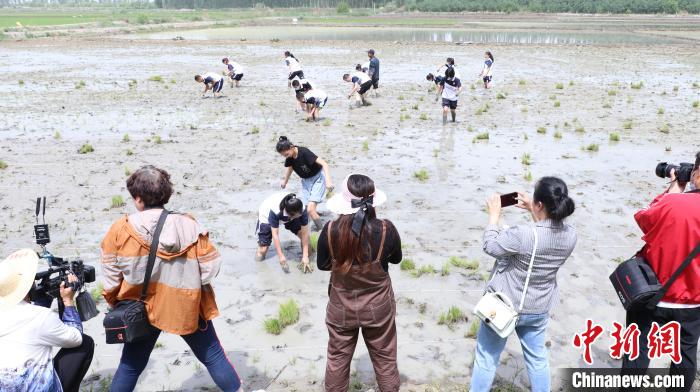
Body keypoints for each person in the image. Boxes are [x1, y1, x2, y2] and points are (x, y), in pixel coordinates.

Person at [100, 165, 242, 392]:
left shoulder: (119, 229)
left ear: (138, 199)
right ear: (165, 194)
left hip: (139, 310)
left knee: (130, 367)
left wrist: (115, 302)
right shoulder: (189, 224)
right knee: (214, 356)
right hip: (186, 305)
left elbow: (110, 280)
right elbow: (210, 269)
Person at [469, 177, 577, 392]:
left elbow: (491, 246)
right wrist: (533, 211)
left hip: (504, 307)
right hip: (538, 308)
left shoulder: (522, 234)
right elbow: (546, 234)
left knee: (486, 359)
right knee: (537, 360)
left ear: (540, 204)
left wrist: (493, 217)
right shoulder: (571, 235)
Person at [620, 153, 700, 392]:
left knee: (638, 350)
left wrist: (674, 188)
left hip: (653, 293)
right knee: (685, 355)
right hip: (693, 301)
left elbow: (643, 218)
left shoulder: (674, 202)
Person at [317, 174, 401, 392]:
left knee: (337, 359)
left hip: (340, 307)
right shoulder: (385, 229)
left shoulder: (329, 230)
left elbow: (323, 265)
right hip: (379, 307)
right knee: (385, 359)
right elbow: (396, 258)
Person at [0, 248, 94, 392]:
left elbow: (27, 322)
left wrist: (44, 297)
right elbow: (75, 338)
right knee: (85, 343)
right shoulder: (40, 317)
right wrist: (68, 301)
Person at [276, 136, 334, 231]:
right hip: (306, 182)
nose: (285, 157)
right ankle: (310, 229)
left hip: (317, 179)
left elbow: (324, 164)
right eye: (283, 156)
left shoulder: (304, 152)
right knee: (306, 209)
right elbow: (290, 168)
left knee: (310, 209)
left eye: (286, 154)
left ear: (291, 147)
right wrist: (285, 182)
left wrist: (328, 181)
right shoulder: (290, 157)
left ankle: (323, 232)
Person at [255, 192, 312, 273]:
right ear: (290, 215)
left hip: (292, 213)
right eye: (297, 217)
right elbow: (275, 235)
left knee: (307, 240)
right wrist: (281, 256)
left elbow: (305, 233)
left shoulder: (301, 210)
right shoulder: (275, 211)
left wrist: (305, 256)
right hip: (266, 215)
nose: (299, 217)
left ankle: (305, 265)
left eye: (299, 216)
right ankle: (259, 269)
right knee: (263, 250)